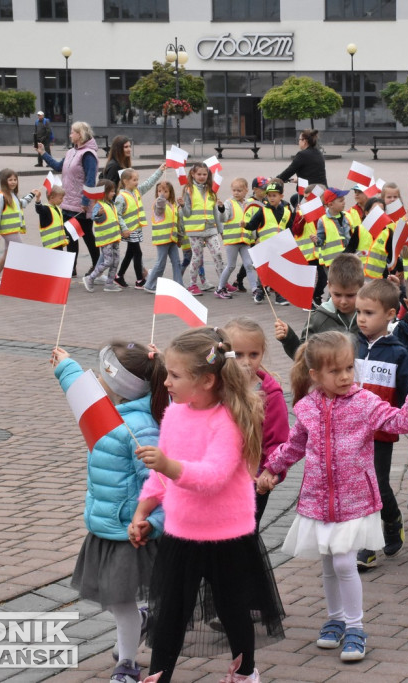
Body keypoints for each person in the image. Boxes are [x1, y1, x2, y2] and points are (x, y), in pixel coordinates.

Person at [258, 331, 408, 662]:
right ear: (315, 375)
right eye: (335, 371)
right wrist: (270, 469)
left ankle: (355, 626)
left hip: (354, 502)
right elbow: (294, 446)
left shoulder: (365, 402)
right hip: (318, 501)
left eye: (349, 367)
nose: (345, 376)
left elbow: (401, 421)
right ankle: (334, 619)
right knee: (327, 563)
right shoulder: (307, 407)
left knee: (343, 561)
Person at [131, 327, 285, 683]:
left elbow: (213, 476)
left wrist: (169, 466)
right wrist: (143, 511)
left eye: (175, 375)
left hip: (226, 535)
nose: (166, 382)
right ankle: (158, 676)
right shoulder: (175, 414)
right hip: (181, 531)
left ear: (206, 380)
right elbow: (162, 478)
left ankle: (245, 673)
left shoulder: (227, 420)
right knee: (169, 612)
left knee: (233, 610)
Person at [52, 341, 168, 683]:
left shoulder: (138, 426)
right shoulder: (110, 412)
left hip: (129, 530)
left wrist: (151, 522)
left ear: (118, 386)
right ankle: (138, 627)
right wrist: (65, 366)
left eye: (103, 376)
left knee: (120, 602)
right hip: (106, 524)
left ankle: (127, 664)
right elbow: (80, 390)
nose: (97, 383)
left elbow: (159, 481)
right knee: (117, 601)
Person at [350, 280, 408, 569]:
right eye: (359, 312)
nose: (361, 318)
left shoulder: (397, 352)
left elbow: (405, 396)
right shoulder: (349, 344)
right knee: (356, 485)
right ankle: (367, 544)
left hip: (380, 432)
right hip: (350, 430)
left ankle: (391, 518)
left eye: (369, 313)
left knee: (376, 483)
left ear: (390, 314)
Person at [222, 318, 289, 532]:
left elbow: (278, 442)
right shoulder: (214, 384)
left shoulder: (270, 393)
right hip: (219, 475)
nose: (246, 362)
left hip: (253, 479)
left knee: (243, 535)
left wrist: (272, 472)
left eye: (254, 354)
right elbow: (195, 364)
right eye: (238, 354)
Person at [37, 121, 102, 278]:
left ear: (79, 135)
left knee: (87, 236)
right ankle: (71, 269)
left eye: (72, 132)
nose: (70, 134)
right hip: (67, 203)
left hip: (81, 205)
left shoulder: (88, 154)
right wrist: (43, 153)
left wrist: (86, 202)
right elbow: (59, 167)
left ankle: (97, 266)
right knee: (71, 236)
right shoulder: (72, 151)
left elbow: (90, 180)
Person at [275, 253, 363, 359]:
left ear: (362, 287)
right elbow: (303, 358)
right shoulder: (319, 318)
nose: (343, 301)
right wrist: (289, 338)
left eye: (350, 295)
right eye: (337, 295)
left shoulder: (371, 313)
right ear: (329, 286)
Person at [114, 165, 165, 289]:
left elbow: (149, 183)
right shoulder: (121, 197)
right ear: (125, 181)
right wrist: (124, 229)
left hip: (136, 229)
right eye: (134, 180)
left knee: (130, 254)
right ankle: (139, 280)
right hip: (129, 230)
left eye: (137, 179)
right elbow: (117, 215)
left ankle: (119, 276)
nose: (137, 182)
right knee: (138, 253)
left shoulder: (137, 191)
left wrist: (160, 171)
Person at [180, 162, 224, 296]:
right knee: (197, 258)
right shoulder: (188, 190)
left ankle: (223, 283)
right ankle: (192, 284)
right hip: (195, 231)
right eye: (199, 174)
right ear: (193, 174)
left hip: (211, 229)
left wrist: (221, 230)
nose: (202, 176)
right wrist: (182, 206)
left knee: (217, 254)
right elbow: (186, 214)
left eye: (204, 174)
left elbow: (215, 212)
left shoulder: (211, 190)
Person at [0, 169, 36, 280]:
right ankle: (19, 278)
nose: (13, 182)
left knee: (7, 256)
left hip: (13, 230)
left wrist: (32, 194)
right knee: (20, 251)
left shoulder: (13, 195)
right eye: (10, 179)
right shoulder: (1, 196)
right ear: (4, 181)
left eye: (15, 179)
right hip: (7, 230)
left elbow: (22, 203)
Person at [217, 178, 257, 300]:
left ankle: (255, 289)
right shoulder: (229, 203)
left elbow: (252, 222)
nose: (236, 193)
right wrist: (222, 209)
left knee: (249, 265)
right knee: (231, 266)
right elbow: (223, 218)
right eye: (234, 190)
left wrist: (254, 237)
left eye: (239, 190)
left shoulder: (248, 204)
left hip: (245, 241)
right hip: (232, 240)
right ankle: (220, 288)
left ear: (246, 190)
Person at [83, 180, 125, 293]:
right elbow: (94, 217)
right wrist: (99, 214)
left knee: (116, 260)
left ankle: (109, 284)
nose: (114, 193)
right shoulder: (99, 205)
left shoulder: (111, 204)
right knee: (108, 261)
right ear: (104, 192)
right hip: (106, 239)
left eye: (114, 191)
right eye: (111, 191)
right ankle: (90, 278)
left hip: (114, 238)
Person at [143, 181, 184, 292]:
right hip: (162, 238)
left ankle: (179, 285)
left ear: (170, 192)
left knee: (176, 262)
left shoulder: (173, 205)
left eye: (165, 191)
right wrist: (160, 201)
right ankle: (149, 285)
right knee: (161, 263)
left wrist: (179, 238)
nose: (162, 193)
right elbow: (159, 210)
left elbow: (177, 222)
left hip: (172, 238)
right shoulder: (159, 203)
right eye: (160, 191)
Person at [33, 184, 69, 250]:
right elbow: (39, 209)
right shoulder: (46, 209)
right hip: (51, 246)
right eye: (60, 198)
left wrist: (65, 235)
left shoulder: (57, 208)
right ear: (52, 197)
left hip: (59, 243)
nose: (62, 200)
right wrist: (38, 199)